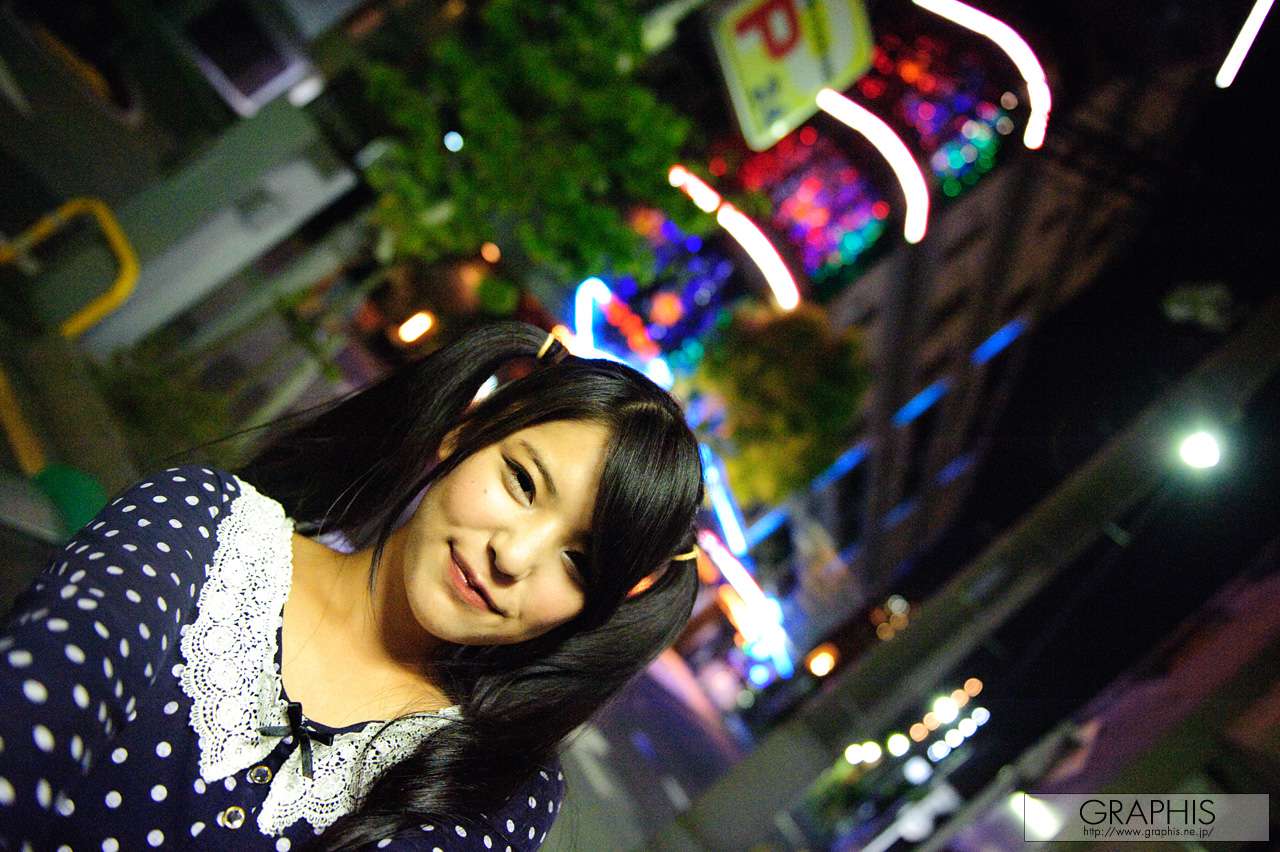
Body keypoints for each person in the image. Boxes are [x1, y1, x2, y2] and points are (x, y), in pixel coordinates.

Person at [0, 322, 704, 850]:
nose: (513, 556)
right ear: (465, 433)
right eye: (522, 481)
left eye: (578, 563)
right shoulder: (202, 527)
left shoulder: (492, 785)